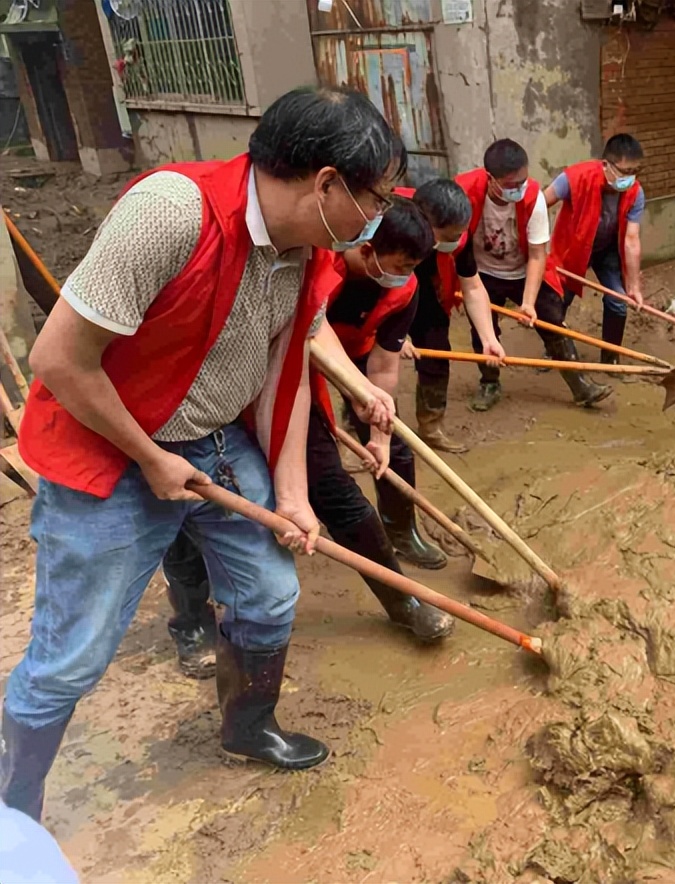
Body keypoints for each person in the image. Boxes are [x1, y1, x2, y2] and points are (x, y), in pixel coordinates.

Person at [1, 86, 402, 823]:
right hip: (111, 450)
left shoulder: (305, 254)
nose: (374, 219)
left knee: (270, 595)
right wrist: (149, 457)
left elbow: (288, 373)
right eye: (373, 199)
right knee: (74, 656)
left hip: (216, 441)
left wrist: (292, 494)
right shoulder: (171, 213)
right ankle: (14, 809)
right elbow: (60, 358)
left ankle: (248, 728)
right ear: (326, 184)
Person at [161, 197, 457, 682]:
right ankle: (192, 624)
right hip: (199, 393)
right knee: (186, 505)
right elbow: (307, 332)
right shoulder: (286, 256)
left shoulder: (375, 283)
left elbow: (340, 348)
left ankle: (401, 598)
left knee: (334, 490)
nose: (402, 276)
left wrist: (374, 420)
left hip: (290, 383)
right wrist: (358, 390)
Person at [457, 139, 612, 412]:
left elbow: (538, 256)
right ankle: (489, 382)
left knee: (552, 319)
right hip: (482, 272)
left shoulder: (533, 197)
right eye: (510, 184)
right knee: (482, 329)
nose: (519, 189)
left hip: (522, 269)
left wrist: (528, 303)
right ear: (490, 178)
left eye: (523, 181)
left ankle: (579, 384)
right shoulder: (465, 193)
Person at [399, 178, 506, 454]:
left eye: (458, 235)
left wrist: (488, 338)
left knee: (437, 351)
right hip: (380, 286)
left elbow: (472, 287)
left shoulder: (458, 235)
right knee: (370, 360)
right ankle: (364, 433)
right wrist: (388, 334)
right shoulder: (389, 223)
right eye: (447, 237)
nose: (455, 242)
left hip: (426, 288)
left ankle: (431, 426)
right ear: (422, 224)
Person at [545, 134, 646, 362]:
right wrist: (535, 248)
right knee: (558, 301)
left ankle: (610, 358)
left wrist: (634, 286)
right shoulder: (574, 178)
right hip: (573, 249)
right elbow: (541, 204)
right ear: (606, 165)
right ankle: (554, 351)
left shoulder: (635, 193)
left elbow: (631, 239)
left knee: (618, 300)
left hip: (607, 250)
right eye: (624, 172)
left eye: (634, 172)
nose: (629, 179)